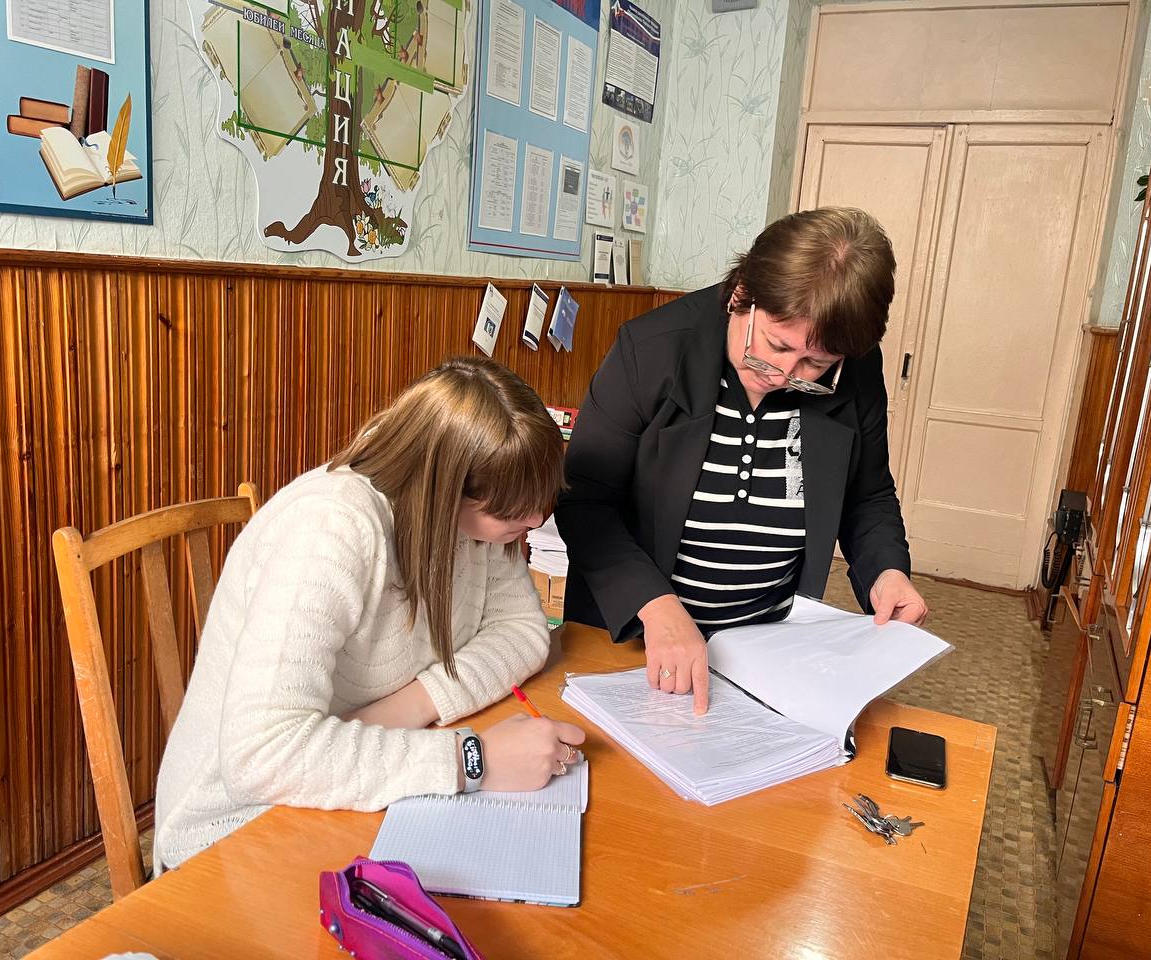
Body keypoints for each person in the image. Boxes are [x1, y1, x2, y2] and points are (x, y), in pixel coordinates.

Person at [154, 357, 584, 871]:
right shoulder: (330, 529)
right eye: (509, 512)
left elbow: (524, 632)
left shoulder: (470, 517)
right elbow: (261, 757)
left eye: (539, 504)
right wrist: (474, 760)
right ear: (444, 488)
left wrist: (405, 708)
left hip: (354, 775)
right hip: (234, 830)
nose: (534, 520)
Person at [555, 207, 928, 716]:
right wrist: (656, 606)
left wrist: (886, 571)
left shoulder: (855, 372)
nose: (785, 374)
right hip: (636, 641)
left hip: (767, 653)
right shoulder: (653, 350)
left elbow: (868, 495)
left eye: (815, 363)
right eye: (776, 345)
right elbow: (584, 499)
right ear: (742, 295)